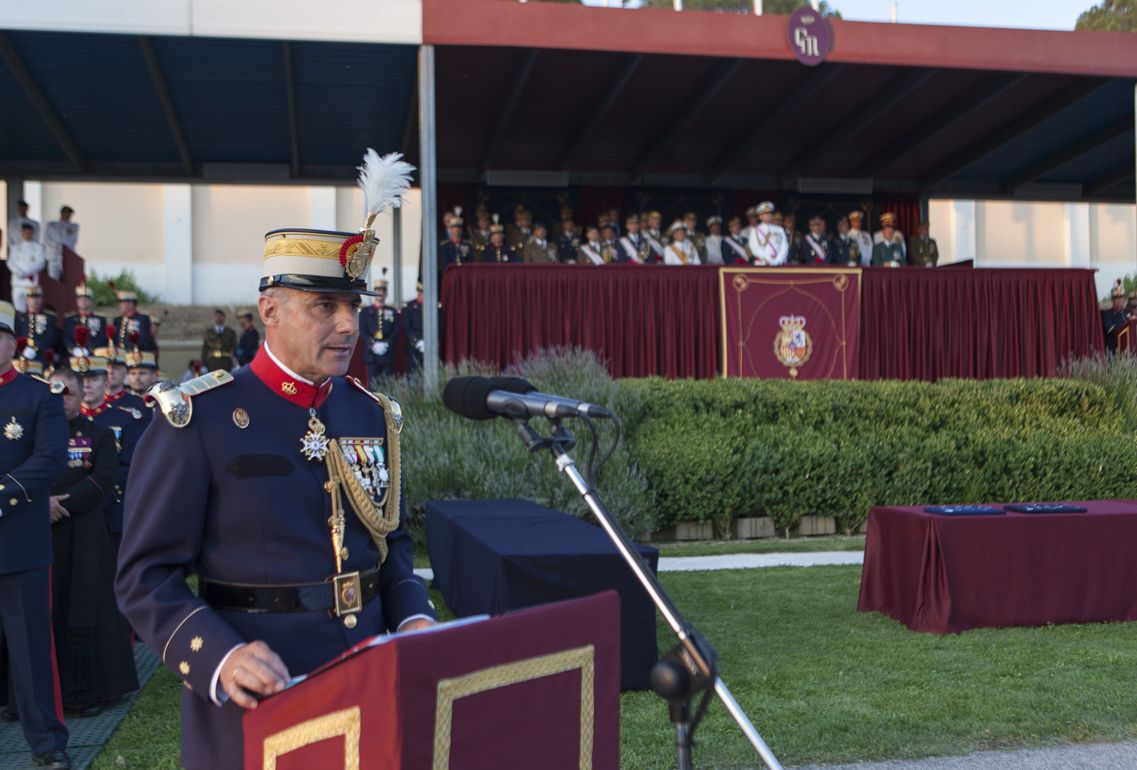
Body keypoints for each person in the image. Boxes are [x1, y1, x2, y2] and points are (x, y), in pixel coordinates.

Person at [115, 209, 436, 769]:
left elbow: (391, 542)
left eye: (353, 306)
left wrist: (413, 617)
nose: (348, 325)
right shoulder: (199, 418)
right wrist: (221, 657)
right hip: (261, 693)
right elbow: (144, 577)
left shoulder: (369, 413)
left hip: (369, 679)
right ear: (269, 311)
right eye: (324, 307)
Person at [0, 300, 72, 770]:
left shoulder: (38, 395)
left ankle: (47, 744)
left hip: (19, 543)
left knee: (30, 652)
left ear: (13, 343)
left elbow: (50, 459)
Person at [47, 366, 137, 717]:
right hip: (45, 532)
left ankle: (89, 691)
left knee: (87, 607)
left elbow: (102, 479)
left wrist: (61, 503)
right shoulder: (37, 436)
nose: (61, 401)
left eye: (68, 393)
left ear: (79, 395)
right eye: (54, 394)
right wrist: (42, 504)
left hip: (85, 532)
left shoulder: (98, 434)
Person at [78, 353, 144, 547]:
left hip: (112, 502)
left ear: (106, 382)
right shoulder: (64, 421)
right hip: (73, 503)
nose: (87, 386)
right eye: (82, 380)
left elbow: (131, 463)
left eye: (93, 379)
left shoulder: (124, 419)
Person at [359, 275, 399, 383]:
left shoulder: (392, 312)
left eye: (382, 291)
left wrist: (388, 344)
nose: (380, 293)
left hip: (387, 352)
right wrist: (372, 343)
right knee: (372, 386)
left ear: (386, 293)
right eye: (377, 290)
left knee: (388, 386)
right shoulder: (365, 312)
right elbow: (362, 330)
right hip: (371, 353)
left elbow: (396, 330)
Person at [15, 286, 65, 368]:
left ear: (42, 299)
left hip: (42, 357)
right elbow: (16, 336)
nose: (35, 300)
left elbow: (50, 337)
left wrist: (35, 348)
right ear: (27, 300)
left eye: (38, 298)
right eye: (32, 298)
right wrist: (22, 350)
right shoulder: (20, 318)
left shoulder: (49, 317)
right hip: (23, 358)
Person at [7, 223, 46, 312]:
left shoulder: (38, 247)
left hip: (31, 283)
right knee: (19, 309)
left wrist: (26, 272)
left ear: (33, 233)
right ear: (22, 233)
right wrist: (19, 272)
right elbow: (10, 262)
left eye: (29, 232)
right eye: (25, 232)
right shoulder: (15, 247)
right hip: (18, 282)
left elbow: (41, 263)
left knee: (33, 308)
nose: (27, 234)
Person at [63, 279, 109, 354]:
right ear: (76, 301)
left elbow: (102, 338)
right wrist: (74, 349)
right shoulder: (69, 319)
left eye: (86, 299)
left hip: (94, 355)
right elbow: (66, 338)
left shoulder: (100, 318)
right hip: (74, 355)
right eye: (80, 299)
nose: (83, 301)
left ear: (91, 300)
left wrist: (89, 349)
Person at [42, 206, 79, 282]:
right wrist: (57, 246)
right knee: (53, 279)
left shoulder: (73, 226)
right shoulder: (51, 225)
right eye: (66, 213)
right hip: (54, 256)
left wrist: (63, 248)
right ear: (62, 213)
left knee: (69, 279)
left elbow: (73, 240)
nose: (67, 216)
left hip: (67, 255)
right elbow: (47, 239)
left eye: (69, 214)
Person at [747, 202, 788, 266]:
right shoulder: (754, 231)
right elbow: (754, 248)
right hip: (763, 263)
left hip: (779, 263)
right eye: (765, 213)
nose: (768, 215)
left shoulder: (780, 229)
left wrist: (778, 260)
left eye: (770, 213)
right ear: (760, 216)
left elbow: (784, 247)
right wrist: (769, 259)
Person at [400, 281, 426, 373]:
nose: (422, 295)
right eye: (421, 292)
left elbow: (438, 326)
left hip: (429, 344)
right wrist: (416, 341)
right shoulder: (410, 306)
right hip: (414, 344)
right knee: (413, 373)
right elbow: (407, 327)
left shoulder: (433, 305)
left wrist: (428, 342)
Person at [1102, 280, 1130, 355]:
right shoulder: (1108, 314)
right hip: (1114, 349)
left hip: (1129, 347)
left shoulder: (1127, 312)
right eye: (1117, 298)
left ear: (1124, 299)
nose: (1120, 300)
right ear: (1112, 300)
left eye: (1121, 297)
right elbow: (1109, 329)